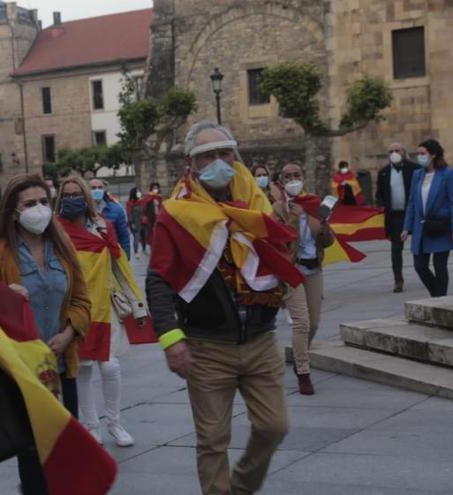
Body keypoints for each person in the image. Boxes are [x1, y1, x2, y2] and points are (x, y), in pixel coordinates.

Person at [146, 121, 293, 495]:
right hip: (207, 346)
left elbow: (280, 256)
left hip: (260, 339)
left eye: (224, 153)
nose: (217, 162)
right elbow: (159, 279)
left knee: (274, 427)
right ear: (191, 162)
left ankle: (240, 487)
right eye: (206, 155)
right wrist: (171, 338)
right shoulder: (176, 213)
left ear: (235, 154)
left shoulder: (258, 204)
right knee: (212, 440)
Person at [0, 173, 91, 495]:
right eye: (30, 203)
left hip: (61, 368)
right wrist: (3, 295)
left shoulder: (63, 246)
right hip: (22, 375)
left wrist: (69, 333)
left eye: (44, 202)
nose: (39, 209)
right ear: (13, 210)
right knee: (32, 461)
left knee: (65, 454)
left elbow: (83, 299)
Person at [56, 176, 144, 448]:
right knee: (82, 369)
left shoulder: (103, 228)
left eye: (76, 193)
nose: (72, 199)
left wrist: (138, 304)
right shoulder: (55, 232)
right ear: (60, 199)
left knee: (110, 366)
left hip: (106, 307)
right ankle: (92, 427)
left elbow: (120, 266)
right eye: (66, 194)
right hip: (75, 311)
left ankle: (115, 423)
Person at [273, 163, 335, 395]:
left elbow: (327, 242)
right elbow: (278, 241)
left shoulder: (314, 205)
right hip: (292, 271)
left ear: (303, 177)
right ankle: (304, 371)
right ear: (281, 182)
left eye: (296, 175)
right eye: (287, 177)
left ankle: (301, 355)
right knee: (301, 322)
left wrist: (325, 228)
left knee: (315, 322)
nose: (293, 180)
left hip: (314, 268)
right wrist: (292, 218)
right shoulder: (278, 209)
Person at [401, 139, 453, 297]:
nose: (419, 157)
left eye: (423, 154)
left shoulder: (447, 174)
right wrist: (406, 227)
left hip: (440, 225)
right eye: (418, 154)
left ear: (433, 155)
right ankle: (438, 296)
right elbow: (411, 203)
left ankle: (440, 299)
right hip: (421, 227)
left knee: (440, 265)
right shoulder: (417, 175)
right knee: (419, 266)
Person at [375, 143, 421, 293]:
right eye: (391, 151)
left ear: (404, 152)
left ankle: (423, 270)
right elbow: (380, 194)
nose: (394, 153)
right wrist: (381, 206)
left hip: (413, 213)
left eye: (397, 150)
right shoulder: (383, 172)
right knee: (396, 248)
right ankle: (398, 279)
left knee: (420, 245)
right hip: (395, 215)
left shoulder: (414, 169)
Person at [89, 178, 131, 256]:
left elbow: (124, 235)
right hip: (91, 256)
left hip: (112, 255)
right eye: (93, 188)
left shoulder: (116, 209)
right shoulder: (83, 210)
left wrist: (126, 255)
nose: (97, 190)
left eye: (100, 187)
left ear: (104, 190)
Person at [125, 187, 145, 259]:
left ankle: (144, 249)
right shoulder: (130, 203)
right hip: (135, 223)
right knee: (136, 237)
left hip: (143, 222)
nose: (139, 193)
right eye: (137, 192)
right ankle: (136, 252)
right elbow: (129, 213)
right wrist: (131, 223)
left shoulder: (141, 201)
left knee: (144, 236)